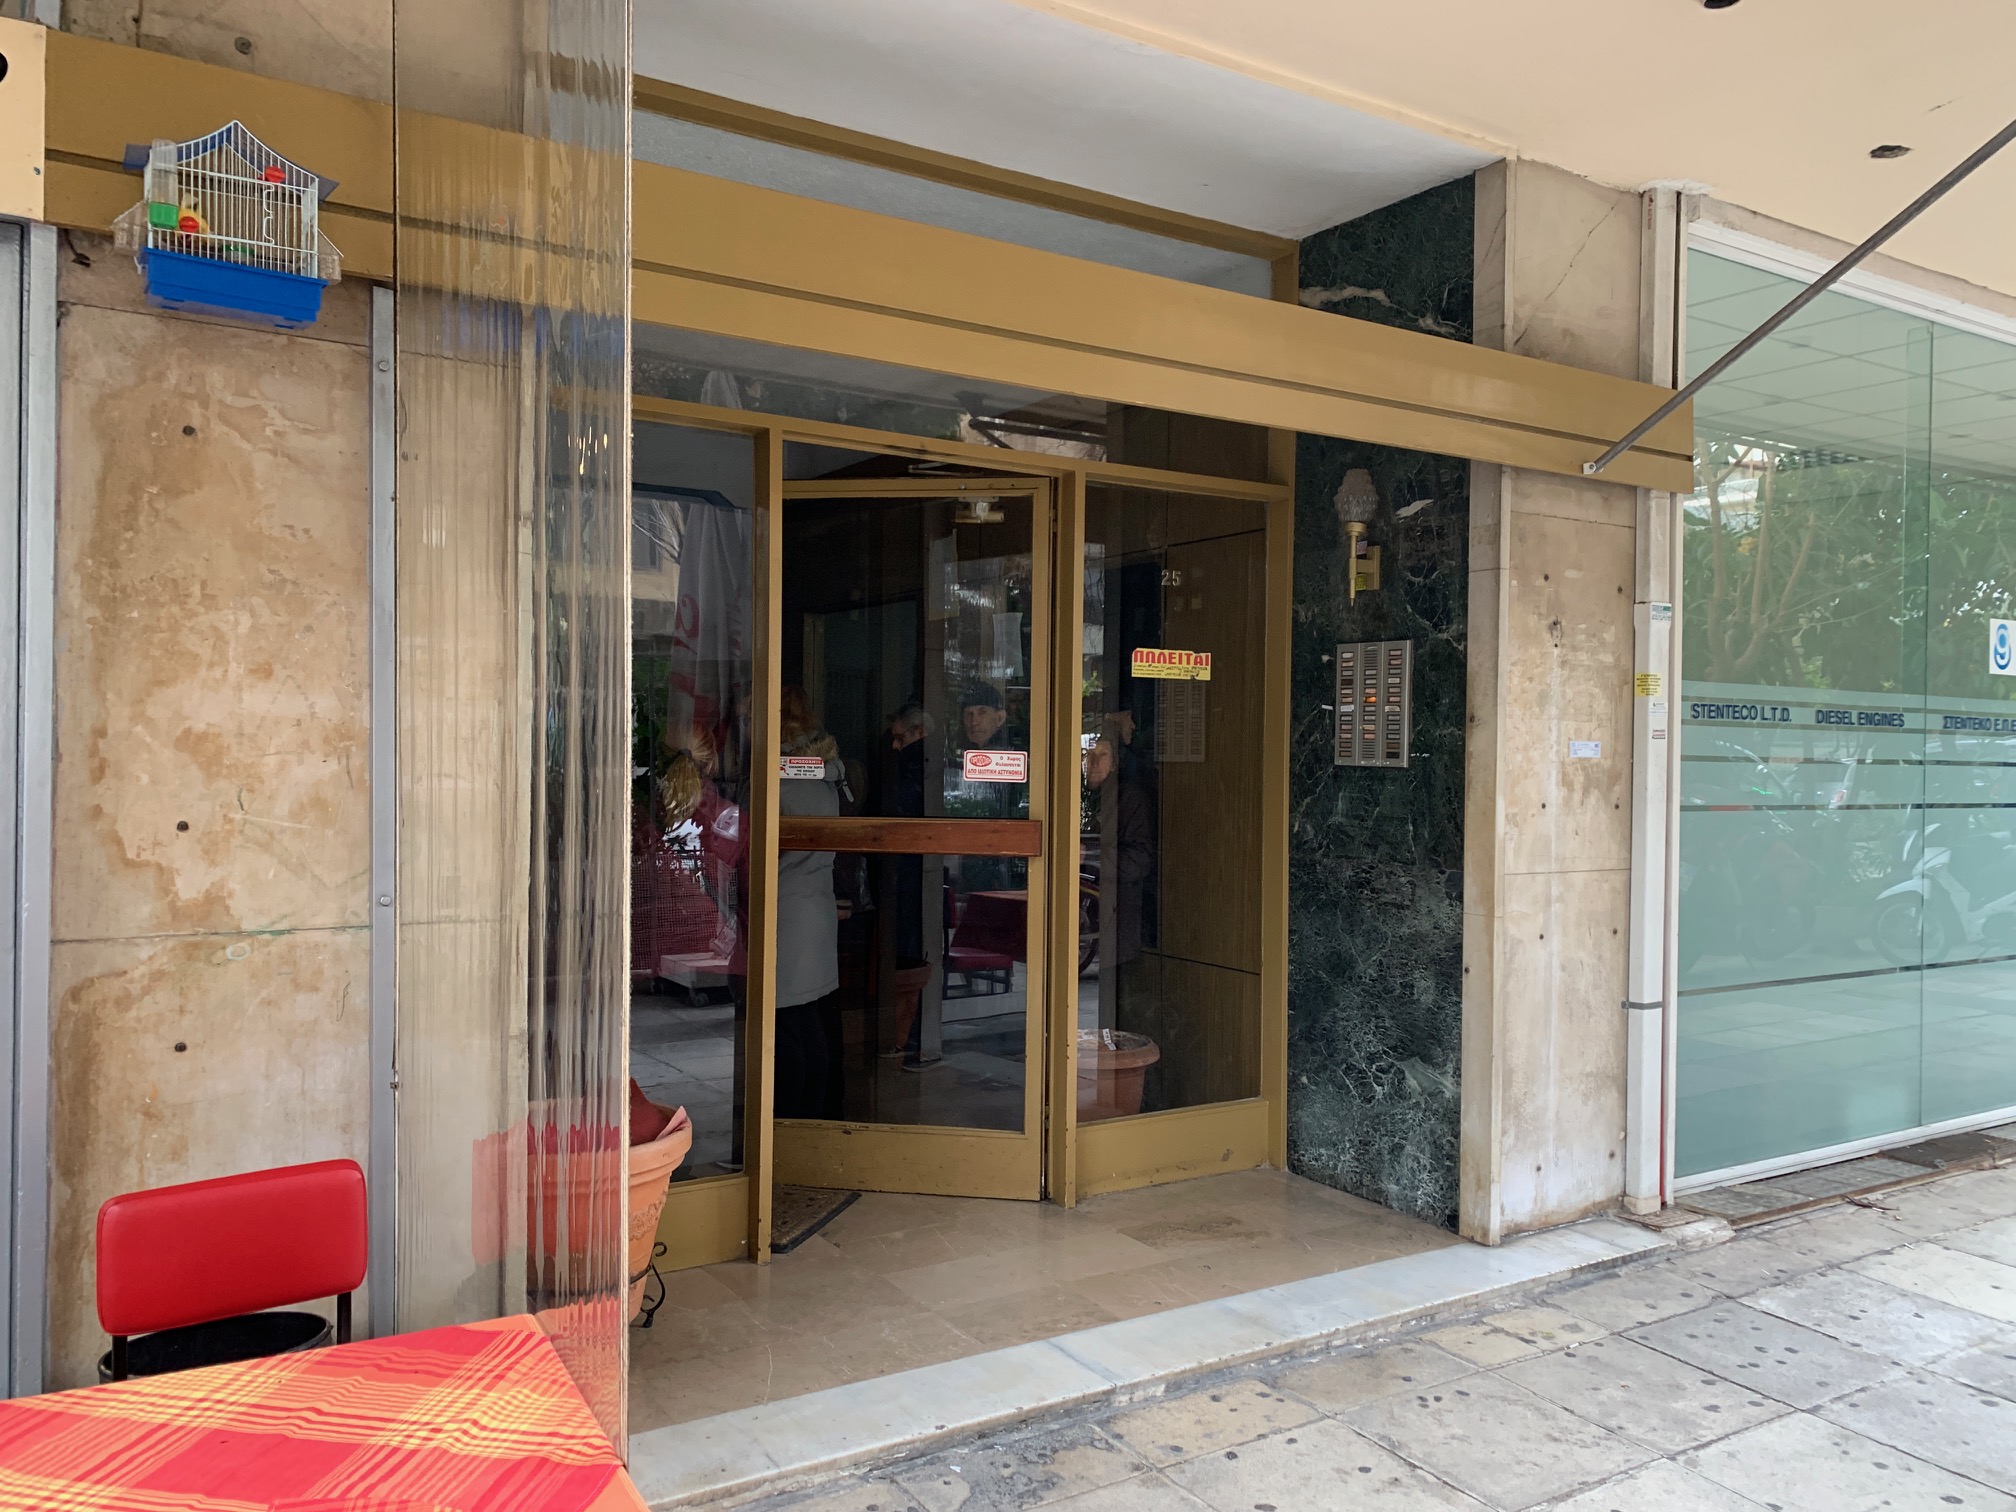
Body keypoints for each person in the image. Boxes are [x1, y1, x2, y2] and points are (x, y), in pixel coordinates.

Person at [772, 687, 844, 1120]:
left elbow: (750, 845)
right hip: (818, 907)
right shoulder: (825, 776)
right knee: (809, 1018)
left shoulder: (777, 777)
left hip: (785, 909)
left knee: (785, 1025)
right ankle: (813, 1120)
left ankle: (786, 1126)